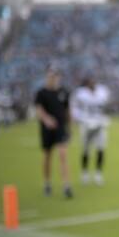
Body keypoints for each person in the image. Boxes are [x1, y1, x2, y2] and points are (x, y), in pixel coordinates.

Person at [34, 64, 73, 198]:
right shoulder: (41, 93)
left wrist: (70, 127)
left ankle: (66, 186)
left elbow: (68, 111)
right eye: (50, 76)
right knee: (47, 155)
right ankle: (47, 183)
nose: (53, 79)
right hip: (47, 129)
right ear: (46, 77)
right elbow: (38, 109)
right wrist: (46, 119)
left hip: (61, 127)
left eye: (55, 76)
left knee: (63, 154)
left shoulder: (63, 92)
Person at [71, 74, 111, 186]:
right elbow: (74, 109)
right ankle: (85, 173)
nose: (93, 83)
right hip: (86, 124)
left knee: (101, 148)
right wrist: (83, 120)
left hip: (99, 123)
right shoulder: (80, 93)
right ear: (86, 82)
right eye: (91, 81)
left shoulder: (102, 91)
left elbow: (106, 107)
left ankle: (98, 173)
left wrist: (106, 118)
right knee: (85, 150)